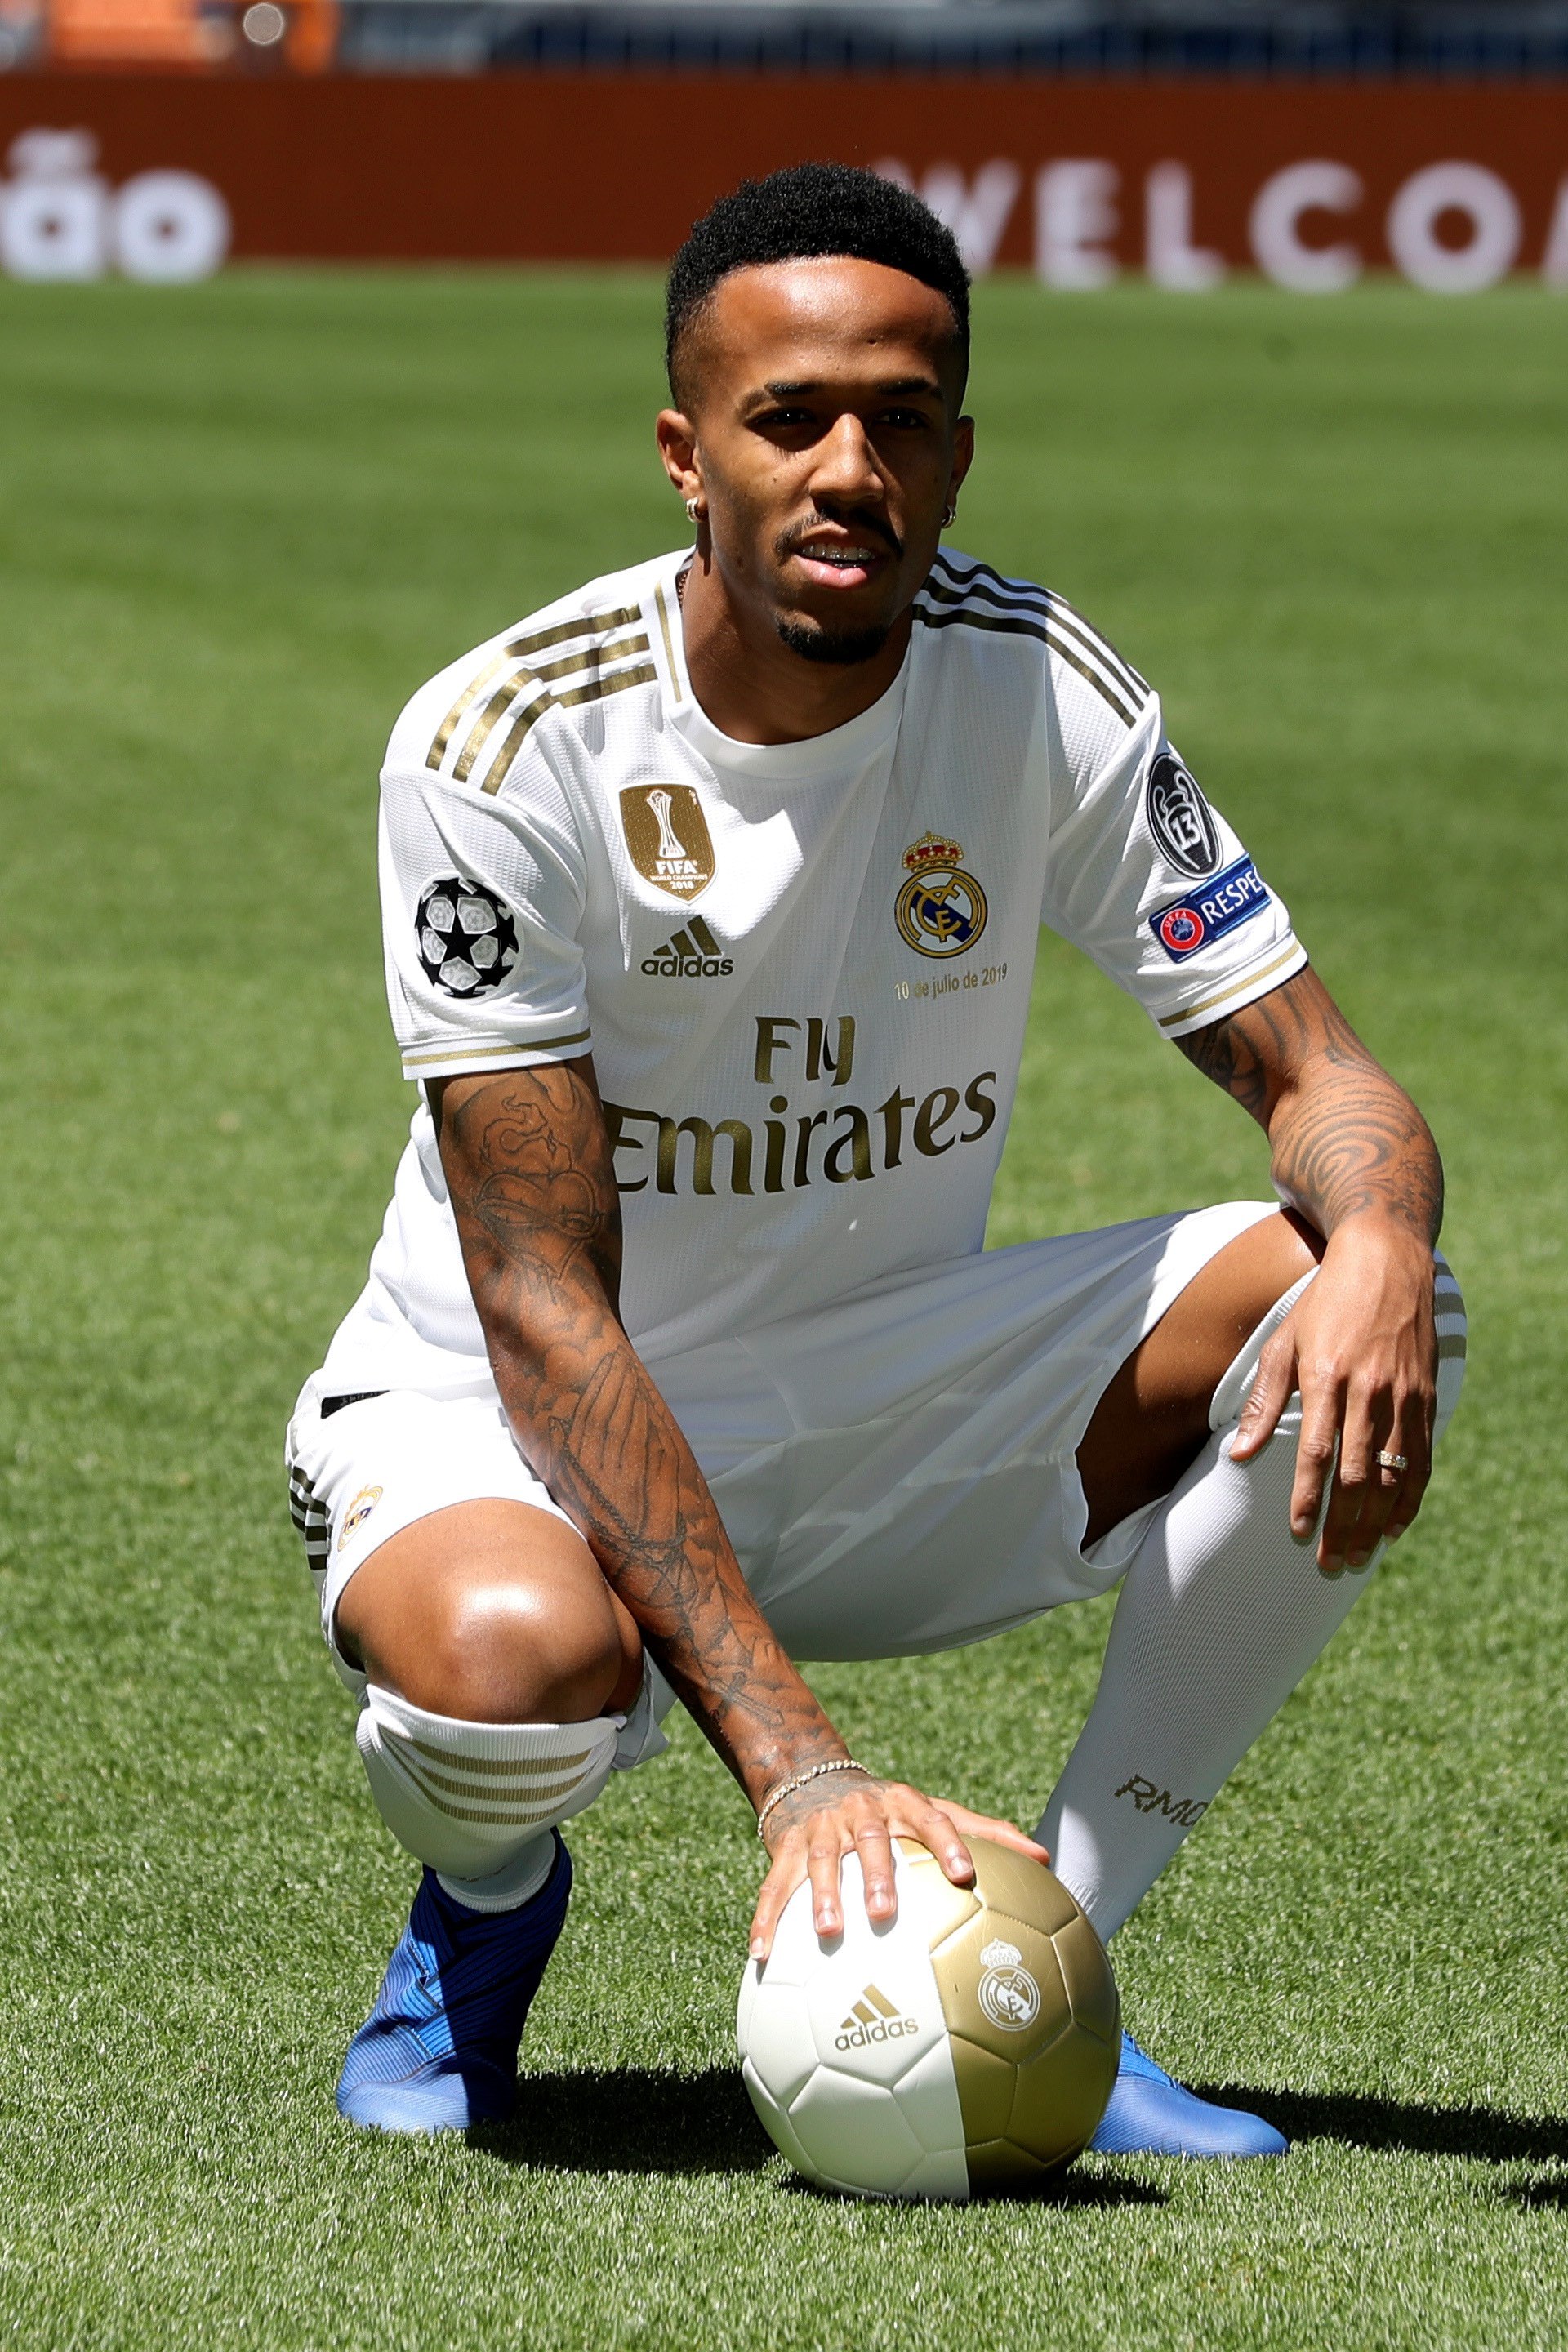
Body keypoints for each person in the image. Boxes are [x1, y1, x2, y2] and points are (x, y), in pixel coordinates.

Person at [287, 163, 1466, 2154]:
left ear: (959, 452)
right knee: (506, 1678)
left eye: (901, 420)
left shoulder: (1039, 683)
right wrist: (805, 1773)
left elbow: (1321, 1074)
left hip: (878, 1394)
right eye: (791, 419)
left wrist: (1383, 1233)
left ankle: (1046, 1972)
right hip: (509, 1414)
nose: (851, 471)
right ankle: (480, 1916)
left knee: (1375, 1292)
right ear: (687, 454)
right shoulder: (510, 743)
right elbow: (542, 1309)